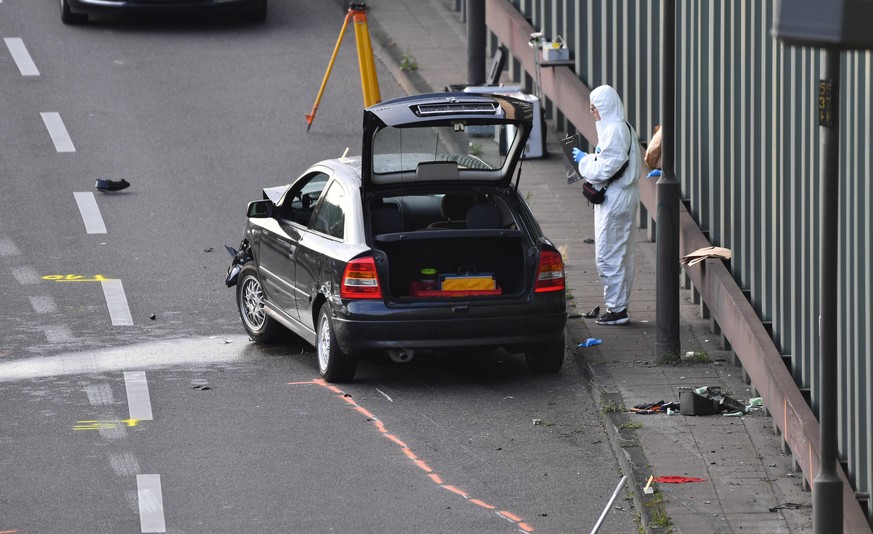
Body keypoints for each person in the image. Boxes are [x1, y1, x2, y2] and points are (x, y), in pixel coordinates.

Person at [571, 85, 640, 325]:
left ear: (606, 106)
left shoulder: (614, 132)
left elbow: (604, 168)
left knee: (608, 255)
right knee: (622, 254)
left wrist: (583, 161)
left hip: (615, 200)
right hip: (623, 196)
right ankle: (618, 306)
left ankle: (617, 310)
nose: (592, 111)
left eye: (595, 106)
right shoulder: (622, 128)